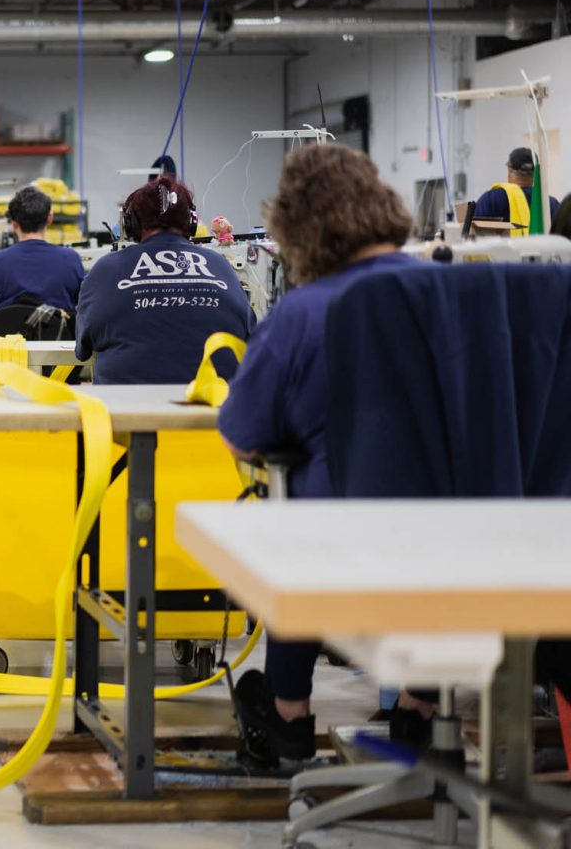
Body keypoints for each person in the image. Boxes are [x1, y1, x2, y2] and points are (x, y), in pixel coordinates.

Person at [216, 143, 425, 765]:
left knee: (292, 526)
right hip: (463, 543)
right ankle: (419, 714)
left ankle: (288, 721)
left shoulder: (302, 314)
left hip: (337, 547)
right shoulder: (458, 293)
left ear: (298, 228)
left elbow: (241, 435)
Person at [74, 176, 251, 384]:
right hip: (213, 409)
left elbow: (83, 350)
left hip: (127, 409)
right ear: (192, 222)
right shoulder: (219, 265)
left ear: (131, 224)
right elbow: (250, 336)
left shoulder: (106, 270)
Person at [0, 186, 85, 311]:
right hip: (57, 330)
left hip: (8, 330)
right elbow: (81, 306)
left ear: (13, 224)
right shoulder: (71, 259)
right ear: (50, 218)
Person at [471, 147, 560, 234]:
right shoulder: (550, 203)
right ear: (536, 173)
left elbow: (473, 234)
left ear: (509, 171)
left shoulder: (490, 199)